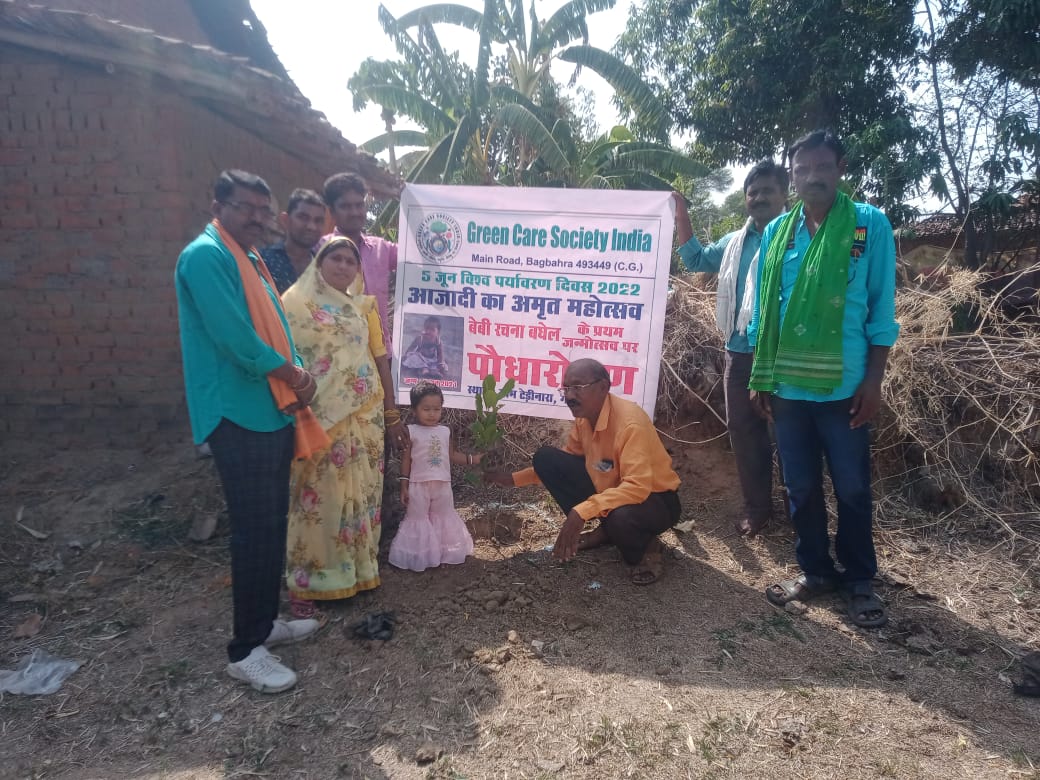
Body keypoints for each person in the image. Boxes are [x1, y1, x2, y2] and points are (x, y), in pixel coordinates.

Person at [175, 169, 329, 693]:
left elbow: (278, 329)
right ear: (217, 203)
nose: (258, 219)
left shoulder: (251, 258)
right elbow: (235, 340)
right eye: (246, 208)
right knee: (252, 529)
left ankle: (264, 626)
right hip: (236, 410)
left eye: (263, 210)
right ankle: (244, 650)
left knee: (271, 525)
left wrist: (295, 368)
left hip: (269, 409)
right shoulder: (206, 256)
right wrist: (294, 374)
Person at [747, 130, 899, 628]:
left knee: (853, 488)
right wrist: (760, 377)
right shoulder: (778, 234)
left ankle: (858, 581)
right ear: (793, 176)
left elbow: (881, 310)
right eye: (803, 169)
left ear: (839, 168)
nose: (812, 176)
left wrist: (873, 380)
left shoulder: (867, 227)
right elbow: (765, 315)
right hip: (787, 389)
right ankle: (815, 571)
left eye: (822, 167)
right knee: (801, 488)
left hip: (845, 388)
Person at [280, 236, 407, 616]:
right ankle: (311, 581)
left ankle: (356, 573)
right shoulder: (294, 304)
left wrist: (390, 411)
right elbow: (286, 357)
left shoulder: (363, 307)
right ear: (319, 262)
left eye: (350, 261)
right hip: (320, 416)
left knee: (363, 496)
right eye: (334, 258)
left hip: (364, 417)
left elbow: (379, 358)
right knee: (319, 498)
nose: (342, 266)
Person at [485, 359, 682, 585]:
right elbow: (570, 462)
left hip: (656, 500)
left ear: (603, 387)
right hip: (616, 493)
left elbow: (637, 488)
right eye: (566, 388)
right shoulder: (584, 419)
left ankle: (648, 547)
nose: (569, 395)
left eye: (577, 387)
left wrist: (581, 512)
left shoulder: (630, 423)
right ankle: (608, 531)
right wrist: (512, 480)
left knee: (622, 518)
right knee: (547, 459)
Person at [673, 161, 789, 537]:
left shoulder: (798, 237)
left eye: (767, 191)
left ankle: (799, 513)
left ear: (784, 195)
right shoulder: (733, 244)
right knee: (743, 431)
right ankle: (758, 510)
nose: (759, 198)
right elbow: (692, 259)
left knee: (790, 434)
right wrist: (681, 211)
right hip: (739, 355)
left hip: (785, 354)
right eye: (752, 193)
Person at [389, 382, 478, 571]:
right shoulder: (410, 431)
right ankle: (419, 557)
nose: (432, 413)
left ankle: (444, 553)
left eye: (436, 409)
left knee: (442, 516)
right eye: (426, 409)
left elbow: (452, 455)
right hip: (417, 485)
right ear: (414, 409)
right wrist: (404, 485)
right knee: (417, 518)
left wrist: (474, 459)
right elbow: (406, 460)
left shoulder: (445, 431)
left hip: (442, 485)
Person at [322, 172, 398, 349]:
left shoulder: (382, 249)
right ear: (332, 211)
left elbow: (418, 255)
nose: (354, 212)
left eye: (359, 205)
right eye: (346, 206)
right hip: (337, 353)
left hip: (381, 353)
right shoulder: (320, 250)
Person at [260, 188, 327, 293]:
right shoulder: (263, 261)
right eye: (303, 218)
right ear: (285, 220)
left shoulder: (324, 269)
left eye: (318, 221)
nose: (311, 226)